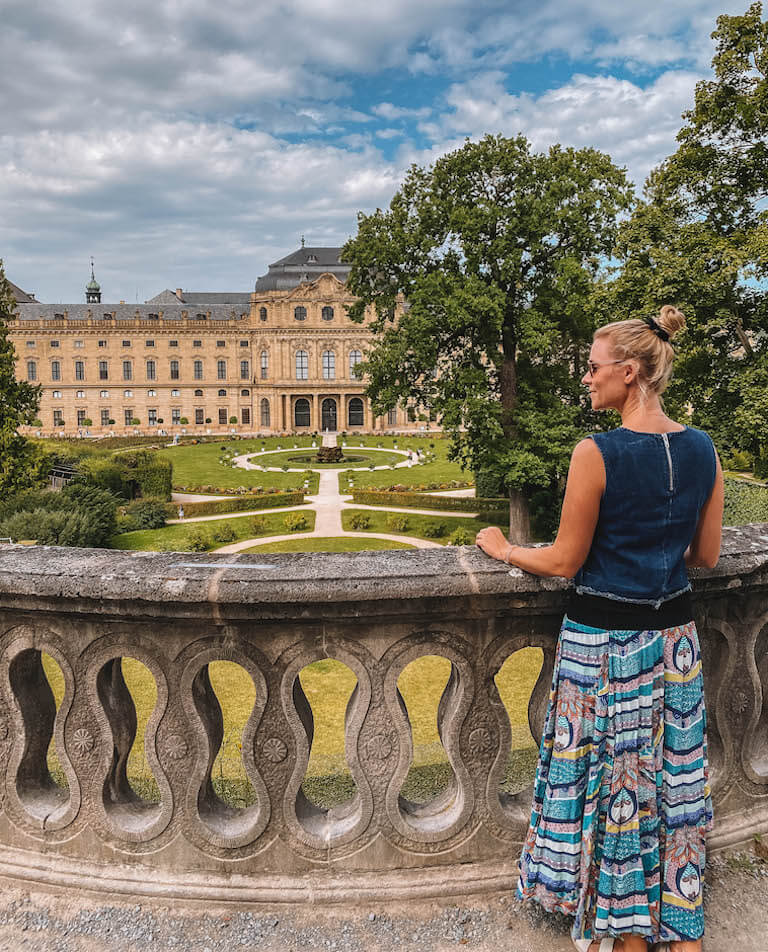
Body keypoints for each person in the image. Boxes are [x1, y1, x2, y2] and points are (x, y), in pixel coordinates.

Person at [476, 306, 724, 952]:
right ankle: (682, 927)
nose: (586, 378)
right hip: (675, 646)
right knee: (673, 790)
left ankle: (627, 933)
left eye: (593, 367)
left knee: (619, 793)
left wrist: (504, 550)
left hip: (607, 649)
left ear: (630, 372)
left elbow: (563, 560)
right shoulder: (702, 449)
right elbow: (708, 555)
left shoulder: (597, 454)